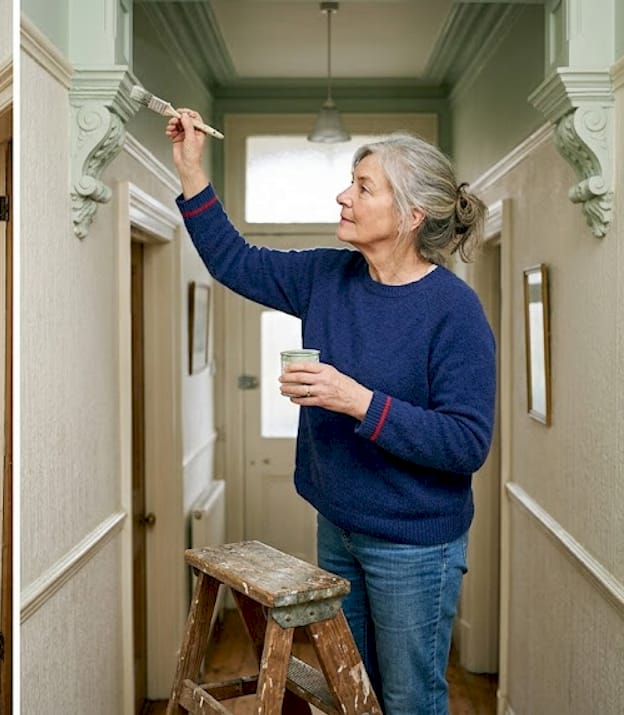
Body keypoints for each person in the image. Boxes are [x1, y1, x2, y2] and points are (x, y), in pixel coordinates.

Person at [167, 110, 495, 714]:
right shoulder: (327, 276)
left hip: (414, 547)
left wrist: (354, 399)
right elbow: (234, 262)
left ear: (411, 216)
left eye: (363, 187)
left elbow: (466, 443)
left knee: (409, 701)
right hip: (339, 527)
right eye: (351, 181)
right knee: (354, 696)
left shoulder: (455, 310)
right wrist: (192, 170)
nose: (343, 195)